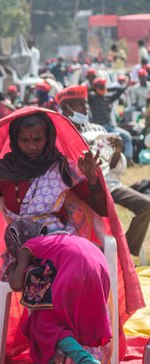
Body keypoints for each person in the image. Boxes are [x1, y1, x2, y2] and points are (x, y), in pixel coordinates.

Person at [2, 221, 125, 364]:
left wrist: (16, 266)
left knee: (45, 324)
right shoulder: (59, 241)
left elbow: (16, 284)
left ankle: (85, 361)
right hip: (99, 269)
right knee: (45, 321)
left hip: (75, 270)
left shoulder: (29, 247)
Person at [57, 85, 150, 256]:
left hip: (109, 184)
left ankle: (126, 253)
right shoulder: (60, 133)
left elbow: (113, 167)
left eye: (86, 104)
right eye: (80, 105)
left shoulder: (98, 130)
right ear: (66, 108)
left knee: (146, 206)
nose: (85, 109)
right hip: (80, 190)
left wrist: (117, 152)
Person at [88, 77, 132, 161]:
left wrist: (107, 88)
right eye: (101, 87)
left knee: (127, 136)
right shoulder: (92, 98)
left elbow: (121, 90)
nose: (103, 88)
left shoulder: (107, 98)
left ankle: (128, 159)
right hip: (98, 128)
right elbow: (85, 91)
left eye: (103, 86)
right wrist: (95, 88)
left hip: (110, 127)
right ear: (95, 88)